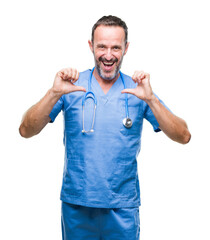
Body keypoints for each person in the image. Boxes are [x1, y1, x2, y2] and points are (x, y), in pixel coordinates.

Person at [19, 15, 191, 240]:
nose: (108, 55)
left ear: (126, 48)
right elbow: (25, 130)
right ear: (91, 46)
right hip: (77, 206)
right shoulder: (70, 86)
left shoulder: (138, 90)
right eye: (102, 46)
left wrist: (152, 100)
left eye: (115, 48)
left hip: (122, 208)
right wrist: (53, 93)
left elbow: (184, 136)